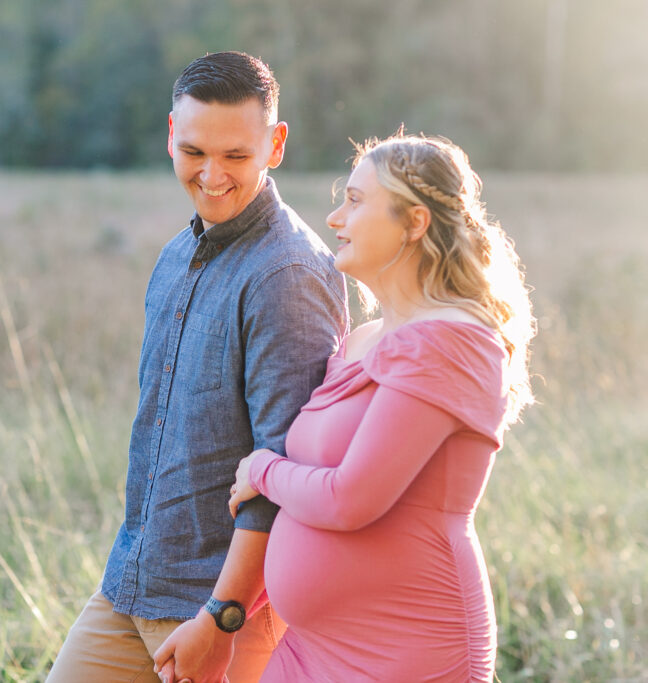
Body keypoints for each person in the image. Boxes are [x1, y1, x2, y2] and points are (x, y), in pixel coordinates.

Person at [46, 52, 348, 683]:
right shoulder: (177, 253)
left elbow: (284, 470)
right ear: (169, 136)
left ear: (276, 144)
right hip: (130, 585)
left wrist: (222, 614)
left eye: (236, 156)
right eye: (194, 152)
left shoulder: (286, 276)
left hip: (219, 609)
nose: (212, 176)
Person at [228, 132, 536, 681]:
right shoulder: (364, 339)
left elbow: (351, 499)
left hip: (407, 648)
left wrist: (261, 469)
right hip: (310, 647)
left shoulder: (450, 341)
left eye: (354, 200)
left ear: (414, 223)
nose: (333, 218)